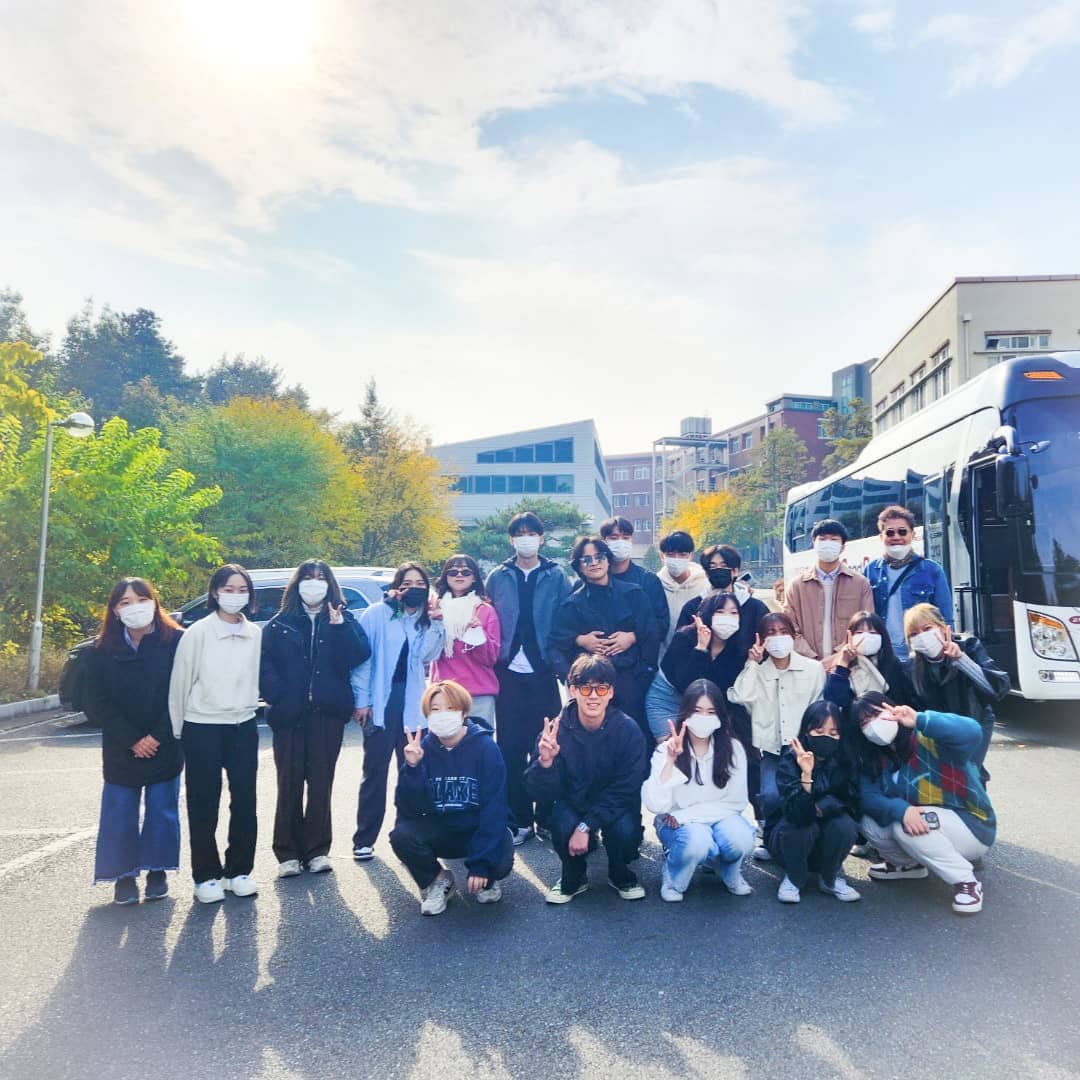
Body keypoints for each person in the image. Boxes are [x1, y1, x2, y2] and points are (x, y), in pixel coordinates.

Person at [260, 560, 371, 878]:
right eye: (308, 578)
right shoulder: (281, 623)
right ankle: (287, 853)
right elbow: (264, 664)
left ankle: (317, 850)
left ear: (330, 585)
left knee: (321, 782)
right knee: (289, 783)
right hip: (289, 715)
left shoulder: (343, 619)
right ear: (297, 584)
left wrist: (339, 627)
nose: (314, 583)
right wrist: (278, 695)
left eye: (321, 578)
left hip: (327, 713)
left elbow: (359, 655)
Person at [84, 577, 184, 905]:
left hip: (164, 740)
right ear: (114, 610)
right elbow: (96, 702)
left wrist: (156, 736)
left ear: (154, 602)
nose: (135, 607)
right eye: (125, 602)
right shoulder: (100, 651)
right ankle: (123, 876)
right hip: (121, 745)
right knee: (119, 812)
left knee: (162, 810)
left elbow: (183, 692)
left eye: (141, 599)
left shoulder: (176, 642)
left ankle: (157, 871)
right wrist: (132, 739)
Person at [168, 564, 262, 904]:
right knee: (204, 803)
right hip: (202, 726)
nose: (235, 596)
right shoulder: (198, 633)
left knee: (245, 801)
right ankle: (206, 876)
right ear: (215, 592)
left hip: (243, 725)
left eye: (242, 590)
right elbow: (180, 683)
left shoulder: (255, 633)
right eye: (229, 589)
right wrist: (178, 730)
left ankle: (239, 871)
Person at [853, 692, 995, 914]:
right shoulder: (875, 758)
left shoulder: (929, 739)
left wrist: (920, 719)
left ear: (892, 709)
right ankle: (909, 865)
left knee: (905, 826)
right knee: (869, 821)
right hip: (926, 823)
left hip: (970, 825)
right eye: (864, 722)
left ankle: (966, 882)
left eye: (876, 714)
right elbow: (868, 797)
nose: (872, 725)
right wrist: (902, 810)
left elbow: (972, 732)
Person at [525, 655, 647, 904]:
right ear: (572, 690)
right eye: (585, 688)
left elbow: (626, 788)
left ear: (610, 692)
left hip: (615, 805)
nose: (593, 696)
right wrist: (545, 763)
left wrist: (586, 826)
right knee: (561, 823)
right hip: (574, 803)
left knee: (626, 831)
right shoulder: (555, 731)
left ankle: (620, 873)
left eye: (601, 688)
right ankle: (574, 876)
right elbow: (538, 793)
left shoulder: (628, 730)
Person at [389, 680, 514, 915]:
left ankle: (487, 879)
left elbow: (494, 808)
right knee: (401, 836)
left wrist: (481, 864)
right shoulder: (422, 749)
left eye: (450, 708)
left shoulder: (486, 748)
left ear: (464, 713)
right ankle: (438, 880)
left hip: (475, 827)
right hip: (442, 829)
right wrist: (412, 768)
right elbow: (407, 808)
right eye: (435, 710)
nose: (442, 715)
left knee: (499, 863)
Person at [485, 511, 571, 845]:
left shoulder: (556, 576)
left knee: (547, 744)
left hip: (543, 670)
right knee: (510, 746)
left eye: (531, 533)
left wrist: (561, 662)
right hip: (507, 671)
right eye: (519, 533)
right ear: (512, 540)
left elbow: (565, 619)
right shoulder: (498, 576)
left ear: (541, 539)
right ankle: (519, 819)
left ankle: (546, 816)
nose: (526, 538)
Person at [350, 561, 446, 861]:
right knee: (374, 772)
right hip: (381, 701)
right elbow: (362, 661)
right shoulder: (377, 614)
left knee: (412, 771)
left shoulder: (424, 619)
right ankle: (364, 839)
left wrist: (437, 622)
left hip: (413, 702)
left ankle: (409, 836)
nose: (413, 589)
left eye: (420, 584)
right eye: (407, 584)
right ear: (396, 587)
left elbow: (428, 656)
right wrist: (361, 700)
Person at [642, 680, 755, 902]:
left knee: (741, 839)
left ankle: (728, 870)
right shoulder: (666, 749)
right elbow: (656, 805)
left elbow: (736, 803)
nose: (704, 718)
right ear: (685, 713)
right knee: (697, 842)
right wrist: (670, 762)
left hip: (709, 818)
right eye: (697, 710)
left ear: (720, 716)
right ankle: (674, 878)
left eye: (711, 712)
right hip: (677, 826)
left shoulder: (733, 749)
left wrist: (686, 815)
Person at [727, 611, 825, 856]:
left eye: (783, 632)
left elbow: (818, 708)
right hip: (771, 749)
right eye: (771, 633)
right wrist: (752, 663)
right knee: (770, 796)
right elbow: (739, 696)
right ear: (761, 640)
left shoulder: (813, 669)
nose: (778, 637)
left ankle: (807, 844)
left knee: (805, 794)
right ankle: (772, 839)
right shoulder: (758, 672)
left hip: (803, 750)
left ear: (793, 636)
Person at [549, 535, 660, 748]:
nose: (594, 563)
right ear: (578, 566)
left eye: (599, 557)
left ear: (608, 560)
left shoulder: (634, 594)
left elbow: (652, 633)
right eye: (586, 559)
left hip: (631, 683)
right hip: (591, 690)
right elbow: (555, 645)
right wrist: (579, 643)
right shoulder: (572, 604)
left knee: (633, 743)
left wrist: (634, 643)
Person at [766, 701, 861, 904]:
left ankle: (830, 878)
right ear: (806, 730)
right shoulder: (791, 758)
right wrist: (806, 775)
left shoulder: (845, 759)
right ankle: (794, 878)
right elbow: (794, 812)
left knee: (845, 826)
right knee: (801, 825)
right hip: (788, 839)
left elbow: (850, 799)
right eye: (819, 731)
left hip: (827, 833)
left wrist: (821, 807)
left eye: (833, 733)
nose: (826, 737)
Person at [903, 603, 1009, 784]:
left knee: (969, 775)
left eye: (927, 629)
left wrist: (961, 660)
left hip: (976, 722)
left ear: (944, 628)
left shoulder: (969, 646)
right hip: (939, 730)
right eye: (914, 634)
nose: (922, 636)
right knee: (947, 780)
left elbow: (998, 687)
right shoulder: (911, 667)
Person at [653, 592, 747, 742]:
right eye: (720, 611)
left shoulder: (736, 648)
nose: (727, 617)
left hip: (705, 705)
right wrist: (701, 648)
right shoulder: (684, 637)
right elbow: (684, 684)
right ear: (708, 614)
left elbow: (725, 688)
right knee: (672, 746)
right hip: (668, 699)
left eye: (733, 613)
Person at [865, 505, 953, 659]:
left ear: (913, 534)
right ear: (881, 537)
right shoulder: (871, 570)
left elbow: (945, 617)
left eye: (902, 531)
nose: (896, 537)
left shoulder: (932, 570)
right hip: (884, 656)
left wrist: (946, 650)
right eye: (890, 532)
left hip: (922, 654)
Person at [783, 519, 873, 669]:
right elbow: (790, 628)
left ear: (842, 546)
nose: (828, 543)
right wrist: (813, 660)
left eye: (834, 539)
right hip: (807, 667)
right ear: (814, 543)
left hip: (848, 665)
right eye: (823, 539)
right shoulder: (797, 586)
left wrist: (837, 658)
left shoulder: (860, 584)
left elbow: (865, 627)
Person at [676, 544, 769, 651]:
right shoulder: (693, 607)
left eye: (724, 566)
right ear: (706, 573)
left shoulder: (755, 607)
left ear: (735, 571)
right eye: (713, 567)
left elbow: (768, 639)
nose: (718, 570)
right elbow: (680, 646)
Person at [600, 516, 670, 647]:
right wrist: (581, 639)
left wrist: (633, 637)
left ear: (631, 540)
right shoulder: (592, 580)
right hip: (598, 656)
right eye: (614, 538)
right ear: (603, 542)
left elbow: (661, 625)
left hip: (638, 656)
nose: (620, 542)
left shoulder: (648, 580)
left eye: (625, 538)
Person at [824, 610, 913, 711]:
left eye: (872, 633)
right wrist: (843, 664)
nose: (866, 637)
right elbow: (835, 702)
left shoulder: (893, 665)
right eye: (859, 632)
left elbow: (901, 700)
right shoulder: (839, 667)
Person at [655, 530, 709, 657]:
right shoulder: (654, 584)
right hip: (662, 657)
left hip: (696, 655)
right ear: (662, 556)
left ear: (690, 556)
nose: (676, 559)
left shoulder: (705, 585)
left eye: (682, 554)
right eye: (670, 554)